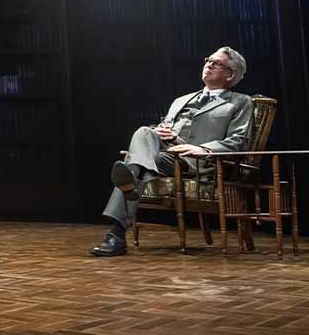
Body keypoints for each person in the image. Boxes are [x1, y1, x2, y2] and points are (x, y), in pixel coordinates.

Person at [90, 46, 254, 257]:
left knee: (136, 167)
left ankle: (118, 230)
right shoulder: (181, 100)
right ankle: (127, 194)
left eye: (217, 63)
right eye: (209, 60)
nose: (209, 64)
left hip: (197, 162)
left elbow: (239, 140)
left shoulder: (240, 102)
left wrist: (201, 149)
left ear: (230, 74)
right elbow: (165, 128)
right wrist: (159, 132)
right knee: (144, 132)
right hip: (166, 156)